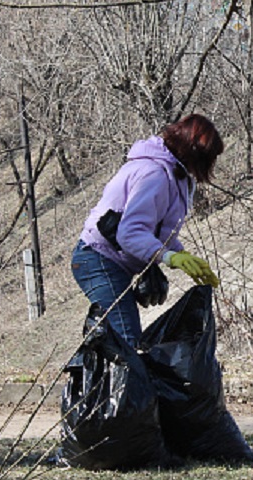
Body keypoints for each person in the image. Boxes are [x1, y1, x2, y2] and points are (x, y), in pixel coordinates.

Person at [71, 114, 224, 347]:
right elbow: (129, 233)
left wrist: (182, 255)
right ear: (196, 153)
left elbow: (158, 229)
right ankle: (100, 382)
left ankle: (93, 380)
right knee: (127, 343)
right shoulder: (155, 174)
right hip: (97, 259)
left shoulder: (174, 175)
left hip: (110, 262)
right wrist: (168, 256)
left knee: (116, 343)